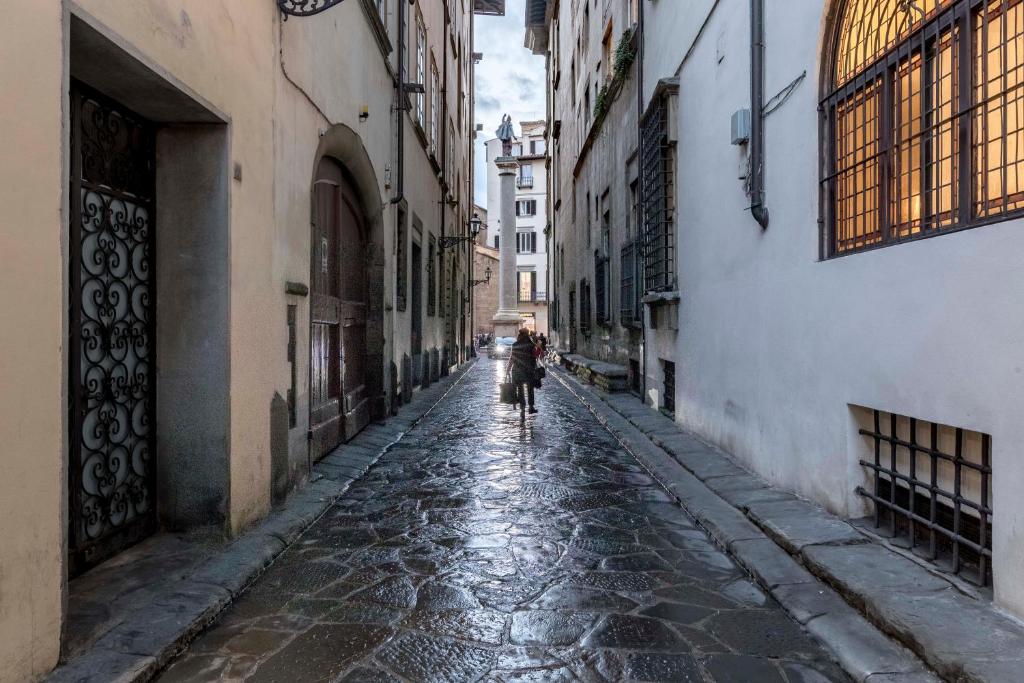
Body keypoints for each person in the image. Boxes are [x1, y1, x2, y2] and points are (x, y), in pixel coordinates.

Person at [507, 328, 539, 413]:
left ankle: (522, 407)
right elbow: (535, 357)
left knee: (520, 389)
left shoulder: (515, 345)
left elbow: (512, 358)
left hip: (517, 370)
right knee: (530, 389)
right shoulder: (531, 345)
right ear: (527, 335)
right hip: (529, 370)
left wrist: (508, 369)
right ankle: (531, 407)